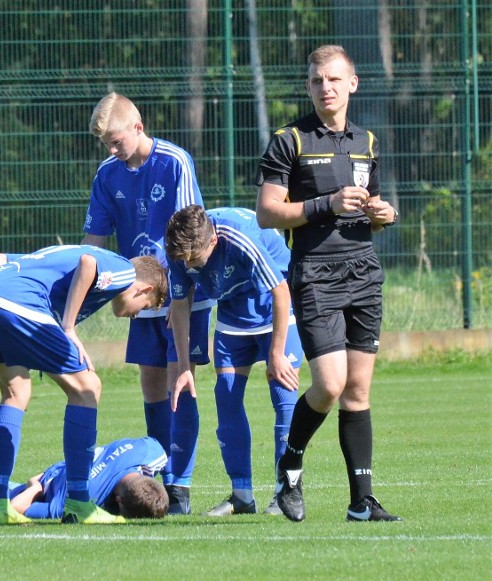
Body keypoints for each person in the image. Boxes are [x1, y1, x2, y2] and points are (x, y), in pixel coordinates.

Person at [255, 45, 401, 522]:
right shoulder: (289, 140)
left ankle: (361, 502)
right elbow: (267, 212)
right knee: (331, 384)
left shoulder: (367, 141)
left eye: (335, 79)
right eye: (317, 80)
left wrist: (384, 213)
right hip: (315, 272)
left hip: (363, 271)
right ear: (309, 86)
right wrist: (326, 205)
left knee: (358, 390)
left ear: (352, 84)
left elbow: (371, 207)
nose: (326, 88)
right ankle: (290, 462)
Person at [0, 244, 168, 525]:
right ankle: (79, 502)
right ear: (145, 290)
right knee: (87, 387)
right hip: (16, 300)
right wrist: (68, 327)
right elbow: (88, 263)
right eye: (143, 308)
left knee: (16, 391)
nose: (135, 315)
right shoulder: (125, 271)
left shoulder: (56, 258)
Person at [81, 92, 213, 515]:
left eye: (116, 141)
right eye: (107, 145)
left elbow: (192, 228)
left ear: (138, 126)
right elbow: (94, 242)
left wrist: (179, 288)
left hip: (179, 294)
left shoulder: (174, 162)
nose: (113, 150)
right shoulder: (107, 174)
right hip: (139, 298)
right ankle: (159, 470)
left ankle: (181, 486)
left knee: (180, 382)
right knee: (152, 385)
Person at [165, 205, 303, 516]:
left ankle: (285, 492)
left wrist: (276, 354)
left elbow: (281, 292)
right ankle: (241, 495)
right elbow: (180, 303)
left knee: (283, 396)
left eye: (193, 259)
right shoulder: (178, 247)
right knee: (225, 397)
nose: (188, 265)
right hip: (232, 315)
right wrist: (184, 367)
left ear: (212, 241)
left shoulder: (239, 237)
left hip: (274, 308)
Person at [0, 436, 169, 520]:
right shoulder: (78, 501)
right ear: (118, 502)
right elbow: (12, 509)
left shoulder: (149, 451)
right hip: (45, 487)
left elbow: (161, 450)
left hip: (60, 473)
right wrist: (35, 488)